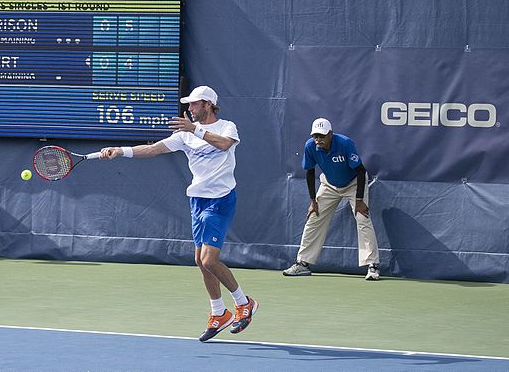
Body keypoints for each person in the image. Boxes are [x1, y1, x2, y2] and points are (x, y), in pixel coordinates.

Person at [99, 85, 257, 342]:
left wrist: (196, 129)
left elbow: (225, 145)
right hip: (197, 200)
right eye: (189, 105)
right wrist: (120, 151)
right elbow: (153, 149)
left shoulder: (227, 127)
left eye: (194, 104)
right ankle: (219, 313)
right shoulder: (184, 136)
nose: (189, 109)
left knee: (209, 260)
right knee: (199, 260)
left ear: (207, 104)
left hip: (220, 200)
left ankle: (244, 302)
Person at [283, 118, 380, 280]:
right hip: (329, 184)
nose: (318, 140)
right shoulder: (310, 146)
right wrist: (313, 201)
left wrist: (359, 200)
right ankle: (303, 263)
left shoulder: (345, 143)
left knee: (362, 218)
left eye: (322, 136)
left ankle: (372, 265)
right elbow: (310, 171)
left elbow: (361, 171)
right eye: (315, 136)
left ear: (330, 134)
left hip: (354, 183)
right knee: (314, 217)